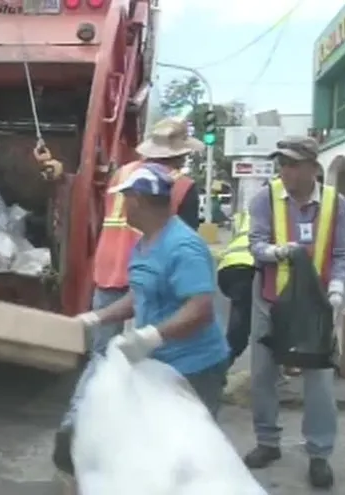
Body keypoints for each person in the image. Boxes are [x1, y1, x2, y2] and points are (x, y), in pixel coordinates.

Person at [51, 118, 203, 476]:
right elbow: (183, 242)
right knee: (155, 354)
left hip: (108, 268)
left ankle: (77, 422)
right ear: (180, 155)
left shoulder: (122, 175)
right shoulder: (181, 186)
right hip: (149, 276)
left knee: (102, 356)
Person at [244, 136, 345, 489]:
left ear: (312, 168)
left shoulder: (335, 203)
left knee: (318, 380)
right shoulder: (265, 198)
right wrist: (278, 251)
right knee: (263, 373)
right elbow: (255, 245)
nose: (284, 171)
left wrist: (336, 290)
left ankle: (319, 453)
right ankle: (267, 442)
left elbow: (339, 254)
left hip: (315, 305)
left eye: (291, 164)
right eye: (281, 163)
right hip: (271, 299)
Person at [217, 209, 255, 367]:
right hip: (248, 266)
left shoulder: (245, 214)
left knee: (240, 309)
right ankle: (223, 363)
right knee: (242, 320)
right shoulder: (277, 212)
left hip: (226, 267)